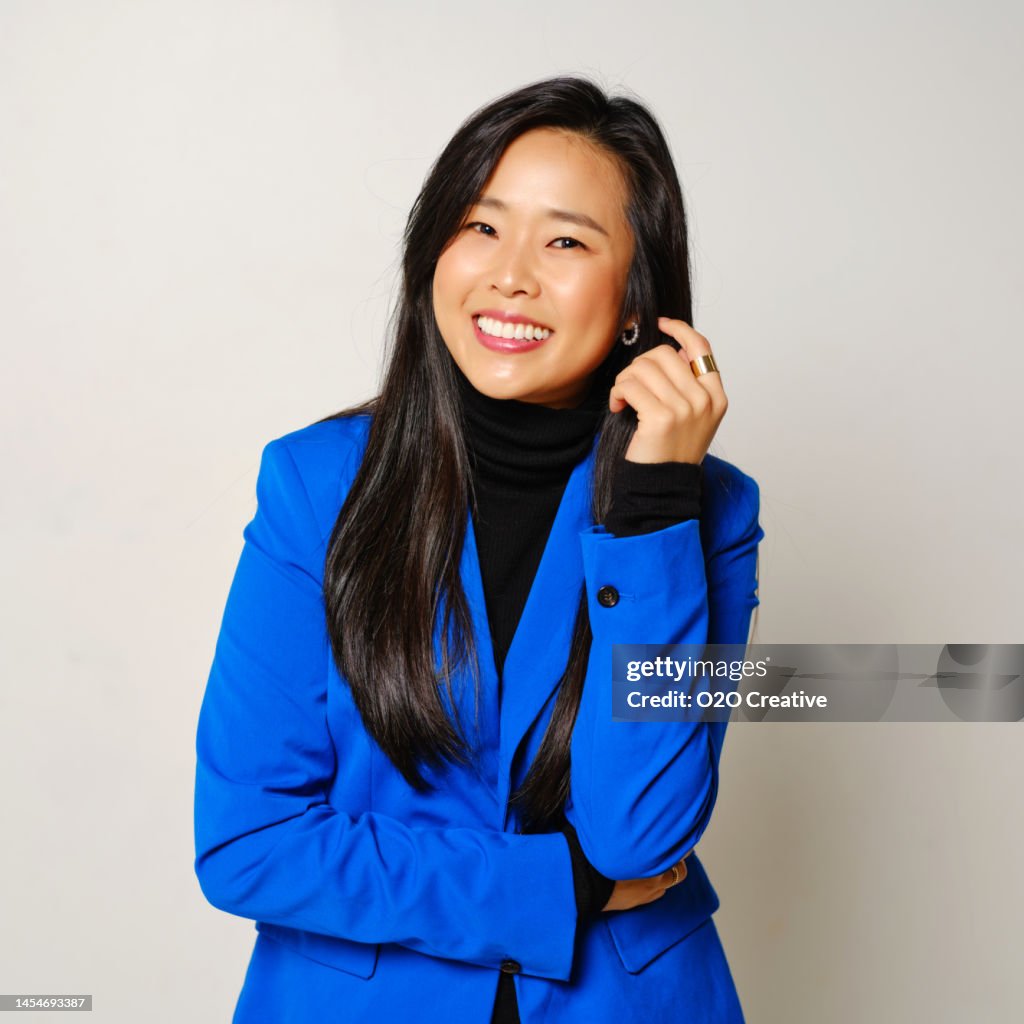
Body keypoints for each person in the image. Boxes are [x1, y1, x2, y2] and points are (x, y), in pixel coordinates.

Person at [193, 74, 763, 1023]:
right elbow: (249, 841)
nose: (511, 274)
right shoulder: (314, 486)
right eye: (481, 226)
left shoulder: (710, 512)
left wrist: (653, 509)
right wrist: (553, 890)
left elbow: (640, 834)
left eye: (568, 240)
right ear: (435, 253)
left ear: (636, 300)